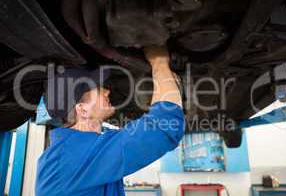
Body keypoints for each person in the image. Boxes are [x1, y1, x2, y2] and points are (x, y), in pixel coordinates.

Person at [35, 46, 185, 196]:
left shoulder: (72, 151)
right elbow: (165, 126)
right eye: (98, 89)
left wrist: (165, 81)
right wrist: (159, 62)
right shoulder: (72, 157)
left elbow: (152, 125)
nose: (107, 91)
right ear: (82, 110)